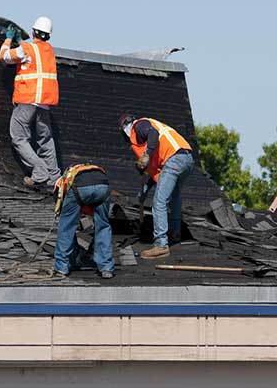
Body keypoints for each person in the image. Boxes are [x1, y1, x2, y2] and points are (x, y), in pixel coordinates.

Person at [119, 113, 194, 259]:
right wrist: (144, 191)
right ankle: (175, 233)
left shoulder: (139, 125)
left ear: (125, 128)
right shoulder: (154, 139)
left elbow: (153, 133)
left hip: (174, 159)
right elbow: (159, 177)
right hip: (186, 159)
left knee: (159, 202)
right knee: (174, 197)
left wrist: (146, 155)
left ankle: (161, 245)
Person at [0, 16, 61, 186]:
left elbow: (3, 56)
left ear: (33, 31)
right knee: (46, 140)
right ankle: (54, 178)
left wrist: (9, 38)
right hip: (44, 103)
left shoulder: (27, 49)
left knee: (18, 137)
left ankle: (40, 171)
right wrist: (21, 42)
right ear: (47, 35)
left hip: (27, 100)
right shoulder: (49, 51)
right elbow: (33, 60)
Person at [52, 163, 115, 279]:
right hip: (102, 186)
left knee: (66, 227)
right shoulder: (86, 169)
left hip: (79, 187)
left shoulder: (60, 186)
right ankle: (106, 268)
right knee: (103, 227)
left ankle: (61, 267)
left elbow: (65, 218)